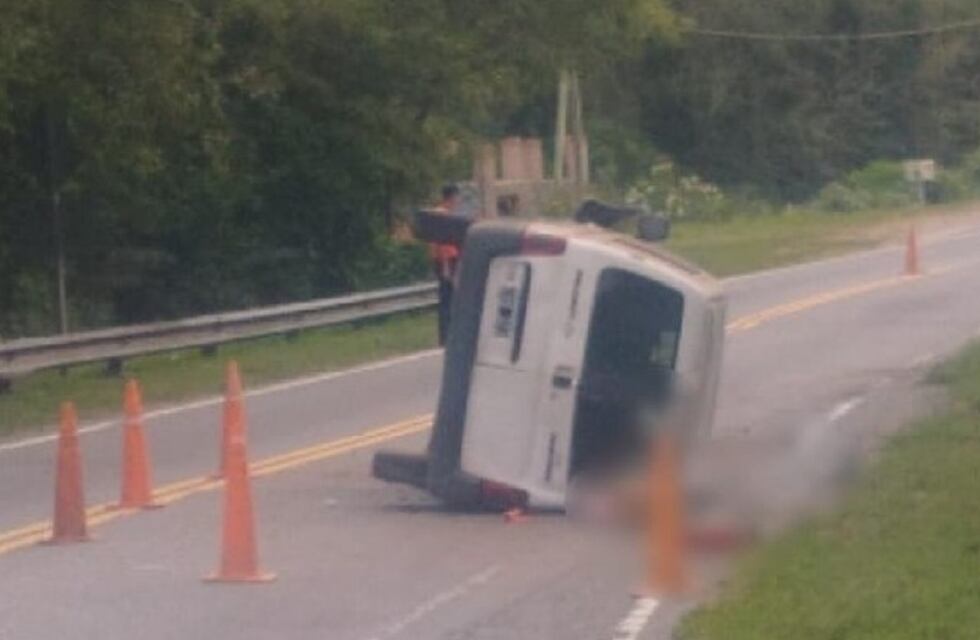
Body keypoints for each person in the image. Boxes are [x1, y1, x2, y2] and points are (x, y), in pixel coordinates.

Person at [431, 184, 462, 346]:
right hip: (447, 261)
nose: (458, 201)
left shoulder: (441, 213)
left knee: (449, 299)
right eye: (456, 197)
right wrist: (446, 268)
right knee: (448, 299)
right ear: (451, 197)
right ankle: (445, 336)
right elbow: (443, 243)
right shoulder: (442, 215)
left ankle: (447, 335)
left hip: (446, 260)